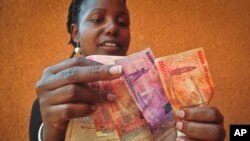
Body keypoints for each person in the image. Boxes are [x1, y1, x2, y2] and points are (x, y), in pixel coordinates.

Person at [29, 0, 226, 141]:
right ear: (75, 32)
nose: (113, 28)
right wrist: (50, 134)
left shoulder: (163, 95)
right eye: (98, 19)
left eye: (122, 22)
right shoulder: (50, 103)